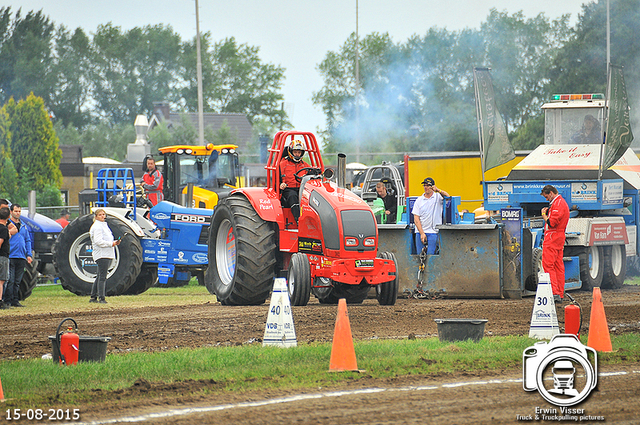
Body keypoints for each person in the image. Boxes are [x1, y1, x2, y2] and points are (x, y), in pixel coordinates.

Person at [540, 185, 570, 302]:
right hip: (559, 237)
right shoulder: (561, 203)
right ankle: (560, 293)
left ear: (551, 193)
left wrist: (544, 215)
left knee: (548, 265)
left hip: (552, 237)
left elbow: (552, 223)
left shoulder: (557, 204)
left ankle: (554, 293)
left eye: (546, 196)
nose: (546, 199)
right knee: (558, 266)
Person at [3, 204, 32, 308]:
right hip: (11, 255)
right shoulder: (7, 225)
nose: (17, 213)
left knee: (17, 281)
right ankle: (7, 300)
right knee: (10, 280)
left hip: (21, 256)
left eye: (19, 211)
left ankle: (15, 300)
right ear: (11, 212)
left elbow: (27, 240)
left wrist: (28, 254)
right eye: (15, 211)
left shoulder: (24, 226)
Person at [412, 177, 450, 255]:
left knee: (431, 255)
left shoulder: (438, 197)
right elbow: (416, 219)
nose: (426, 187)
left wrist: (438, 190)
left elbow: (448, 197)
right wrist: (422, 233)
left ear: (432, 187)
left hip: (433, 232)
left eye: (428, 185)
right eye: (424, 185)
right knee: (420, 255)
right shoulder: (419, 200)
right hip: (420, 232)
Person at [89, 209, 120, 304]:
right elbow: (98, 241)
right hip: (102, 254)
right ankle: (101, 298)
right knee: (102, 276)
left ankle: (93, 297)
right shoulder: (97, 226)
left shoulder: (103, 225)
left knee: (100, 276)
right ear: (96, 216)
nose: (103, 216)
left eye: (103, 214)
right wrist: (111, 243)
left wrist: (114, 242)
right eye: (100, 215)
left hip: (105, 253)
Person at [279, 140, 311, 222]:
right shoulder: (283, 164)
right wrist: (281, 184)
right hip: (288, 189)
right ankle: (299, 221)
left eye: (299, 152)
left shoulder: (305, 166)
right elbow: (277, 179)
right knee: (293, 196)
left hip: (302, 189)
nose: (297, 154)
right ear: (291, 152)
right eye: (295, 152)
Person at [0, 207, 11, 309]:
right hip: (2, 257)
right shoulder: (3, 229)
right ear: (8, 216)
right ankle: (0, 301)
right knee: (2, 280)